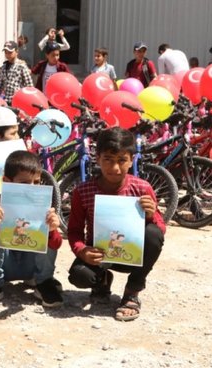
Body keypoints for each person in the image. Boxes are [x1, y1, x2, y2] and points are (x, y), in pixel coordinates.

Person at [67, 128, 165, 321]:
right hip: (100, 254)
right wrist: (82, 250)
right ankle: (102, 280)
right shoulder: (83, 191)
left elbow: (160, 229)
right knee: (79, 276)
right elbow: (74, 230)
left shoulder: (142, 188)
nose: (115, 168)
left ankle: (132, 292)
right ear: (97, 158)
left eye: (122, 160)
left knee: (153, 234)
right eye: (108, 160)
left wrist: (151, 214)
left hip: (133, 256)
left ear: (131, 160)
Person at [0, 151, 63, 308]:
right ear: (6, 181)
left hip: (31, 266)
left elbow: (56, 244)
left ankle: (44, 283)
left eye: (36, 182)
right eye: (25, 183)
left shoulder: (44, 208)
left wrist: (52, 230)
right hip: (5, 265)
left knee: (45, 233)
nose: (31, 188)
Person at [0, 40, 33, 105]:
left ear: (17, 52)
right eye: (6, 52)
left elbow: (30, 86)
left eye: (10, 52)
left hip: (19, 102)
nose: (8, 54)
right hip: (6, 102)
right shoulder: (3, 67)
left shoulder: (22, 66)